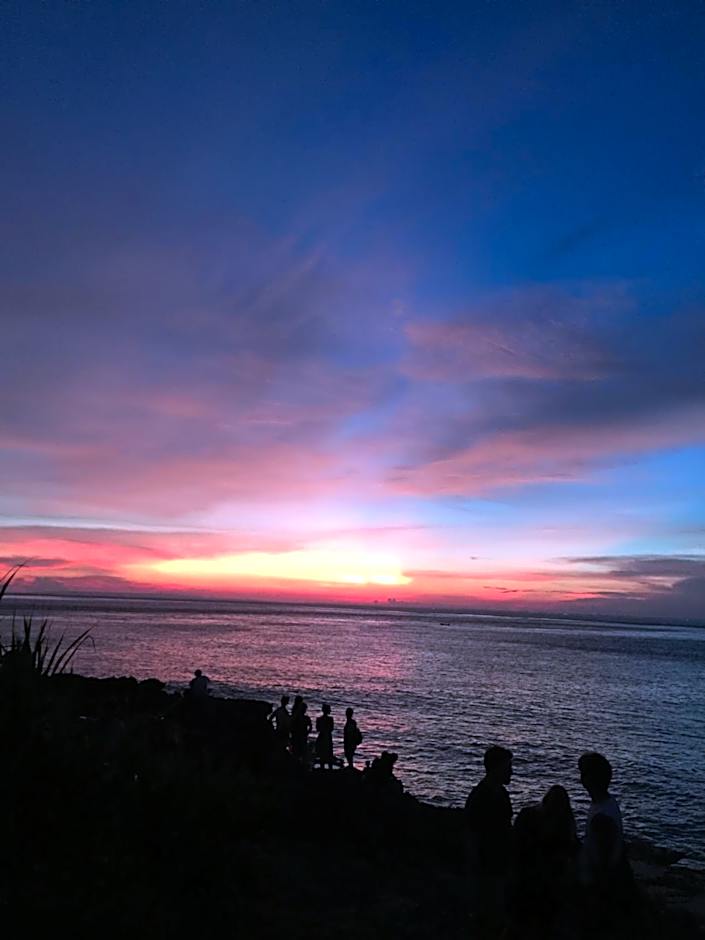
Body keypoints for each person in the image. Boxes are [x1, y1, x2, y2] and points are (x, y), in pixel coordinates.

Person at [464, 745, 514, 925]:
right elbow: (472, 832)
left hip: (499, 861)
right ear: (496, 768)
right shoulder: (480, 797)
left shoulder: (501, 794)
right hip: (486, 864)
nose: (511, 772)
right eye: (508, 768)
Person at [315, 703, 335, 770]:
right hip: (327, 737)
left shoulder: (319, 719)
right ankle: (330, 769)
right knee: (329, 754)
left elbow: (317, 729)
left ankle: (322, 769)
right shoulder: (330, 719)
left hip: (322, 737)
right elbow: (331, 729)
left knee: (322, 754)